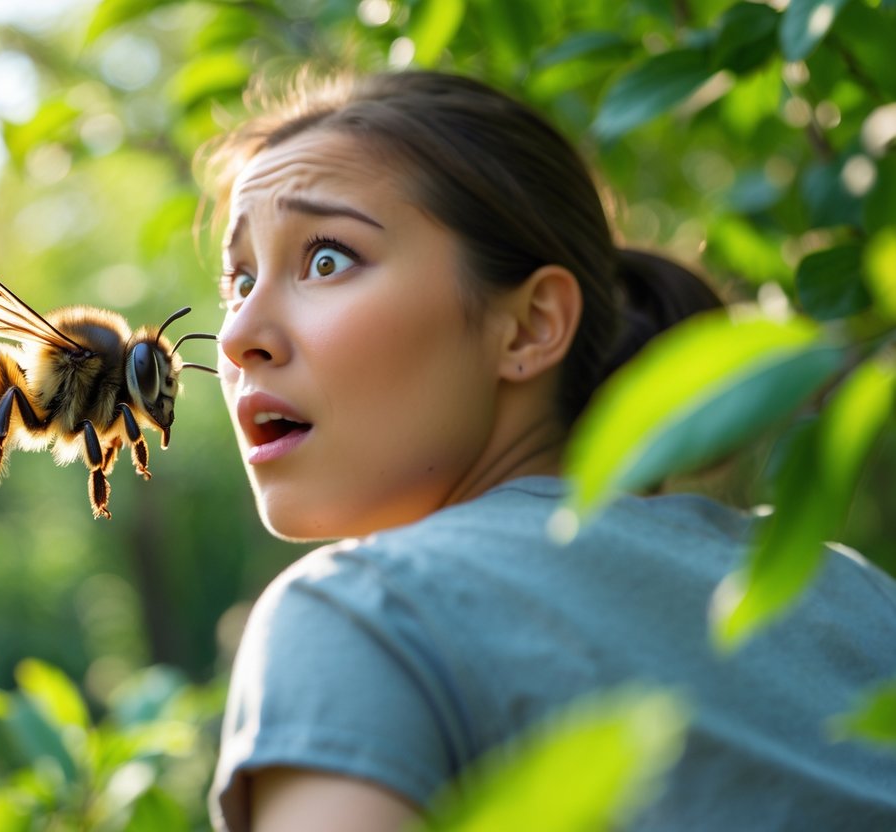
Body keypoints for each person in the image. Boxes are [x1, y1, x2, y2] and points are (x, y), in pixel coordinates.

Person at [201, 70, 896, 831]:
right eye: (238, 279)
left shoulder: (362, 615)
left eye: (326, 259)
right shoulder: (849, 593)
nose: (236, 337)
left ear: (530, 327)